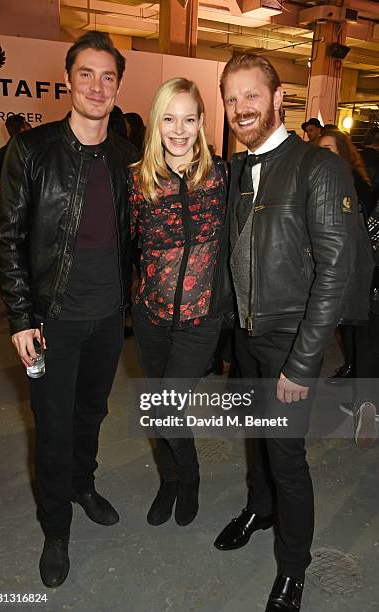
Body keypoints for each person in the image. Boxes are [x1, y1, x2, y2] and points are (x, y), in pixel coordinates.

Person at [214, 54, 358, 612]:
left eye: (253, 96)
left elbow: (335, 273)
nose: (241, 109)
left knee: (287, 458)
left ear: (279, 100)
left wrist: (301, 364)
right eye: (232, 99)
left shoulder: (317, 168)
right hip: (246, 338)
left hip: (288, 342)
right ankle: (259, 508)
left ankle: (293, 567)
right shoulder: (235, 170)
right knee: (256, 441)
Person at [0, 31, 138, 588]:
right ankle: (55, 528)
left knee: (91, 414)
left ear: (118, 85)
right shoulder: (32, 151)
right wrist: (20, 318)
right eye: (87, 74)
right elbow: (9, 239)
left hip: (108, 319)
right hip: (52, 320)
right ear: (68, 79)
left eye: (108, 76)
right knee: (52, 427)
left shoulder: (128, 158)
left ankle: (82, 484)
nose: (97, 86)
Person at [129, 78, 231, 527]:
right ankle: (168, 479)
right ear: (156, 123)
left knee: (168, 407)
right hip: (150, 317)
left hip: (199, 319)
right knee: (157, 406)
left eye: (189, 119)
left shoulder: (222, 176)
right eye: (169, 119)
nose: (179, 130)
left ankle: (188, 478)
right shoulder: (138, 180)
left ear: (202, 123)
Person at [319, 129, 377, 447]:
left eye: (330, 147)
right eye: (321, 149)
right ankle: (365, 401)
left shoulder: (341, 183)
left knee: (361, 336)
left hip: (354, 272)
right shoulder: (359, 179)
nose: (325, 154)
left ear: (343, 150)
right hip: (358, 272)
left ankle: (365, 402)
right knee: (358, 336)